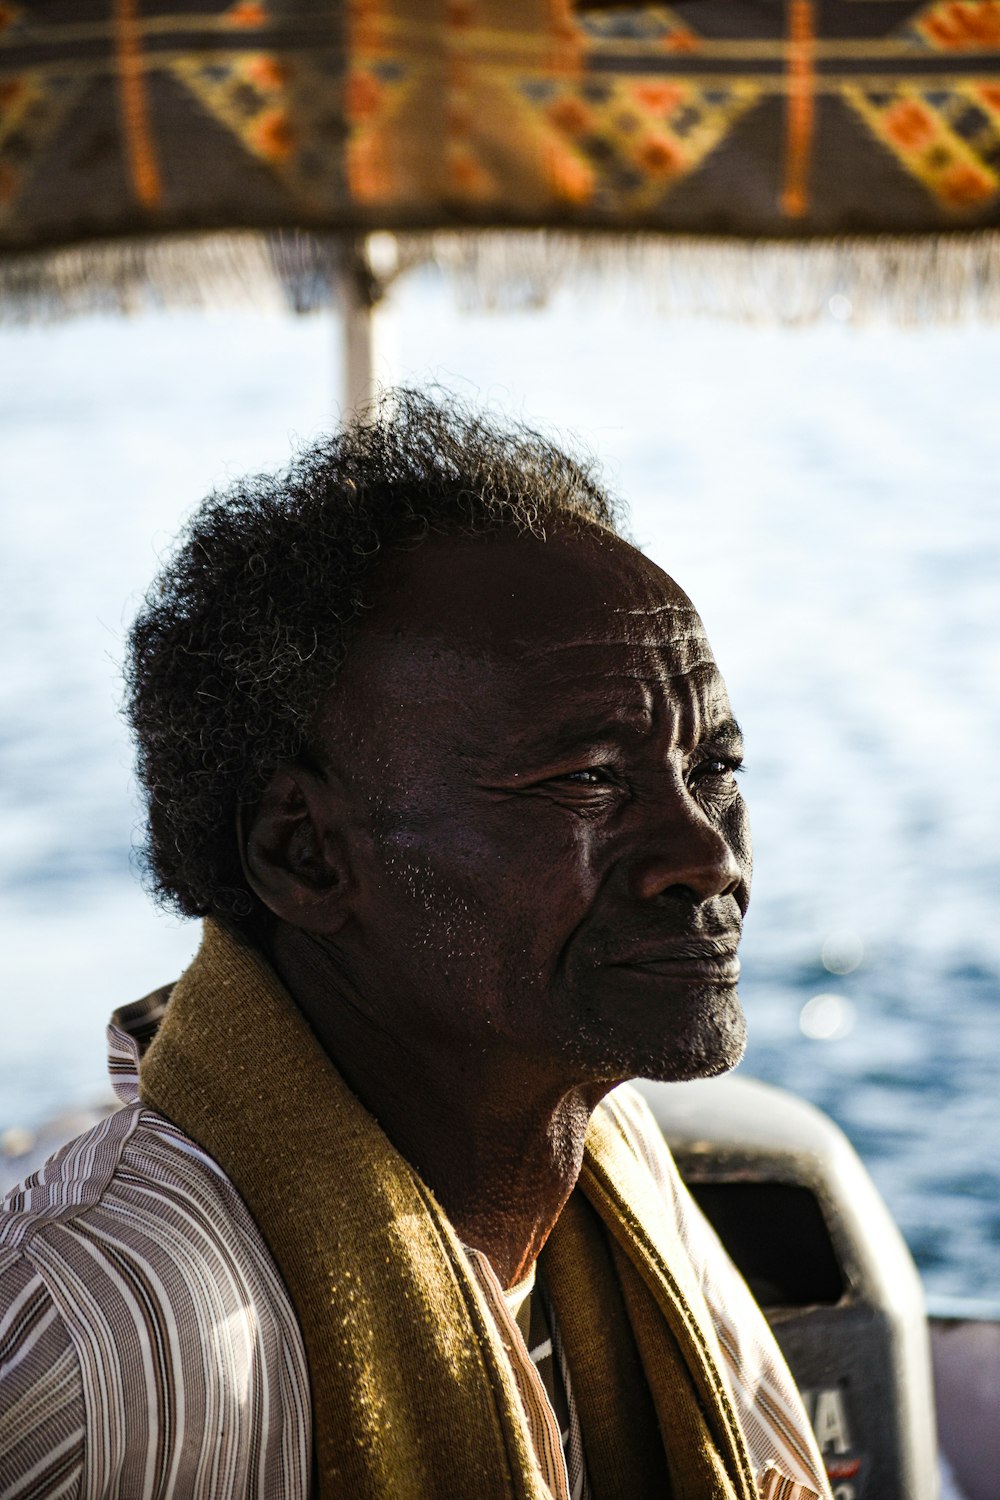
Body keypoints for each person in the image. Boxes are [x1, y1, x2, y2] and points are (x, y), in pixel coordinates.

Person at [0, 395, 831, 1500]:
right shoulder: (100, 1342)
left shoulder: (613, 1181)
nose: (705, 857)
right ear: (306, 855)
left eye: (712, 772)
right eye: (585, 781)